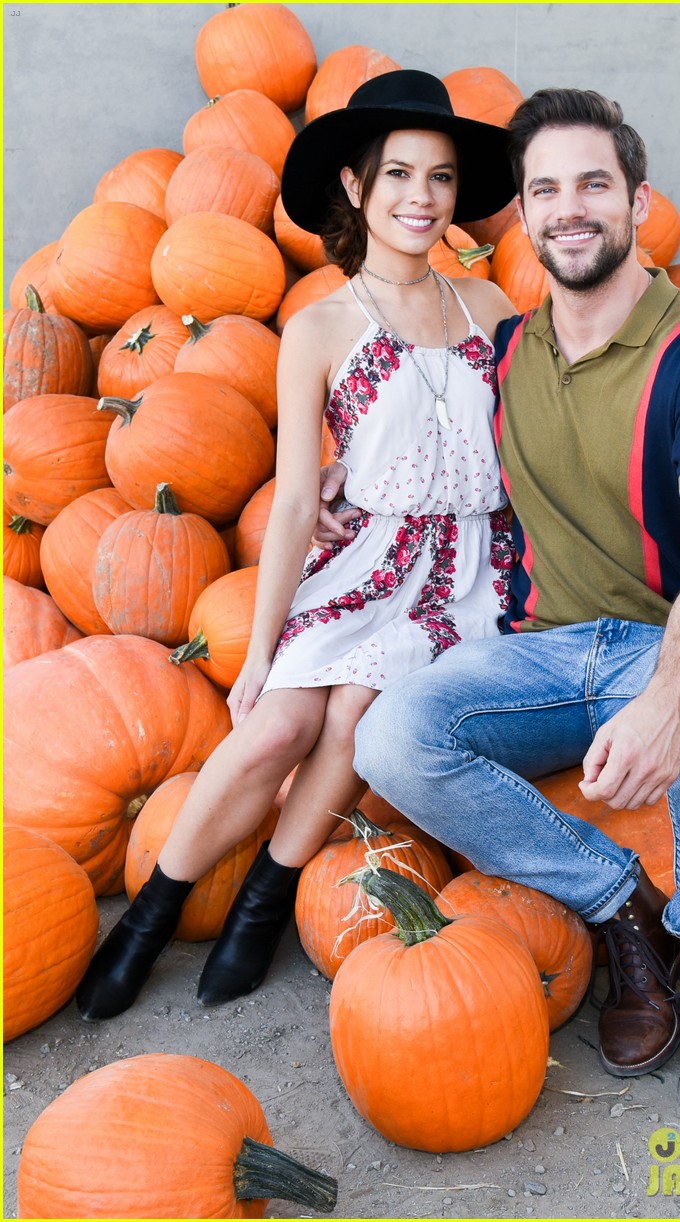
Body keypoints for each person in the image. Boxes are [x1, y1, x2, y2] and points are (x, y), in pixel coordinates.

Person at [349, 88, 680, 1104]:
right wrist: (338, 481)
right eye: (544, 190)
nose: (568, 207)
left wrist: (666, 701)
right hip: (540, 651)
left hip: (663, 638)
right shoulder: (506, 351)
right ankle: (620, 905)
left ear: (637, 201)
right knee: (390, 739)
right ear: (524, 215)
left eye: (593, 184)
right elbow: (411, 433)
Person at [75, 70, 518, 1021]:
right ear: (355, 187)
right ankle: (148, 919)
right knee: (277, 725)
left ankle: (263, 903)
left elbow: (530, 442)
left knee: (354, 713)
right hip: (361, 562)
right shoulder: (318, 326)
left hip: (465, 574)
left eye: (440, 177)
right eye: (398, 174)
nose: (421, 197)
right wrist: (261, 649)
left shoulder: (490, 311)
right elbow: (287, 504)